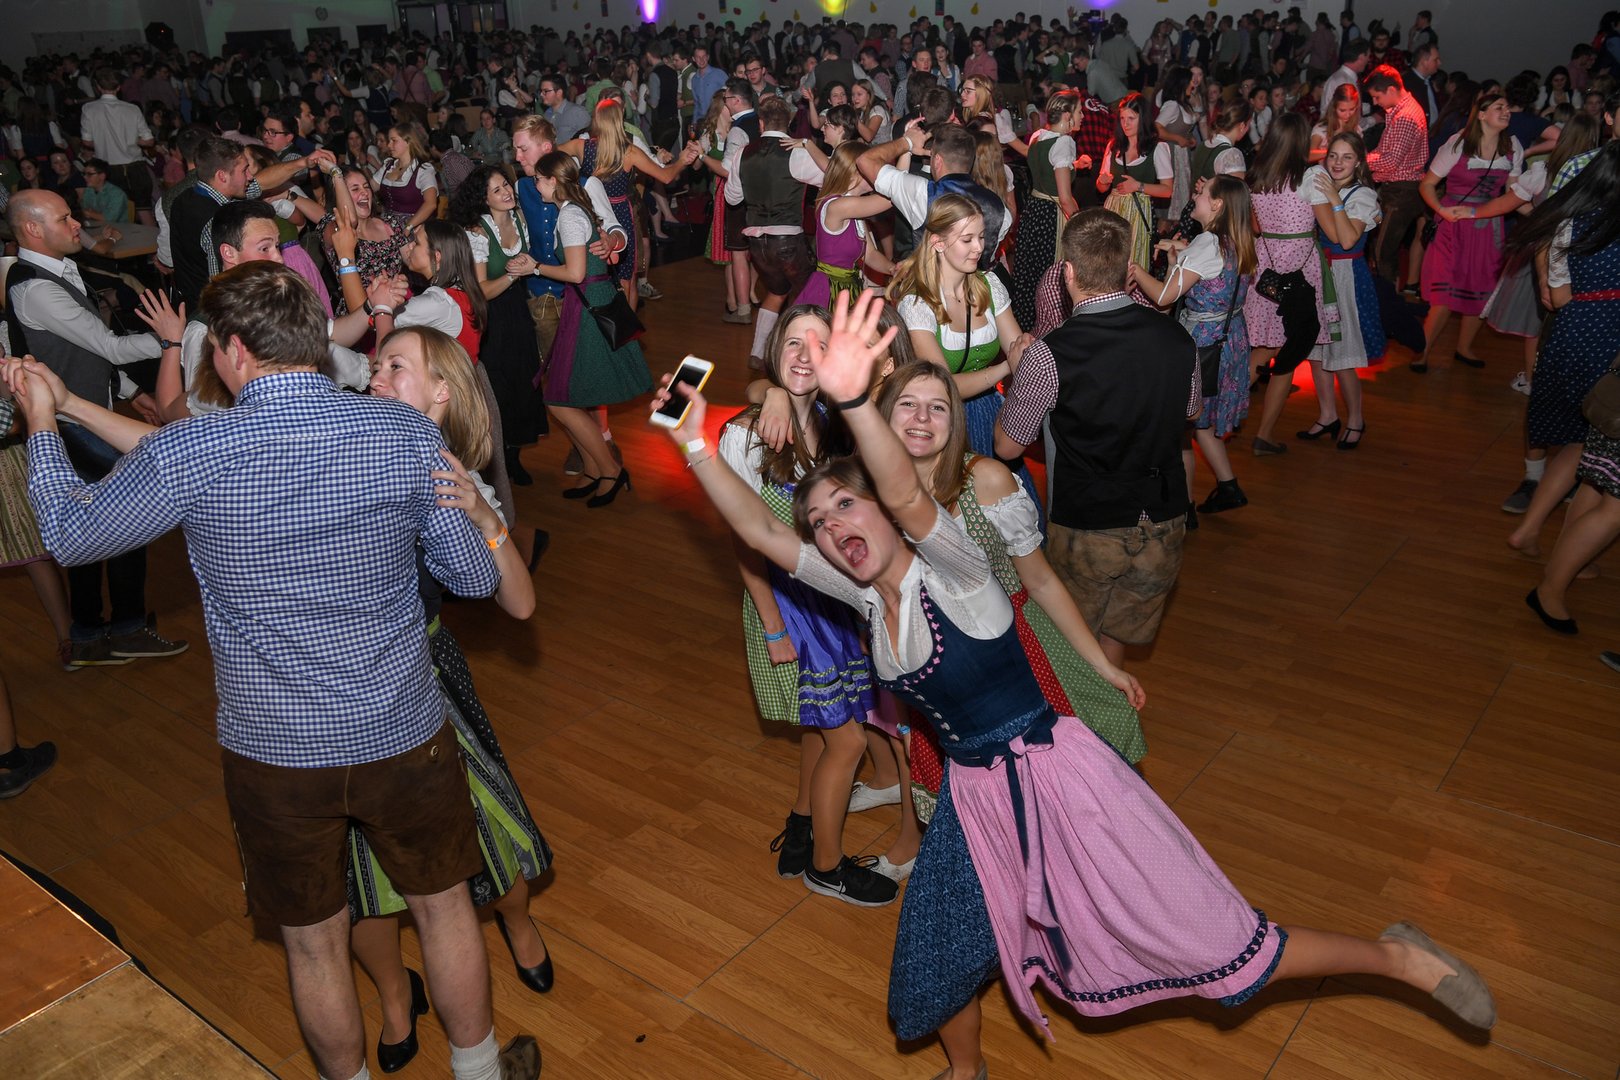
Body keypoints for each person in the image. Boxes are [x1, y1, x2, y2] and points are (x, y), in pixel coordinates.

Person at [659, 289, 1496, 1080]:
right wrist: (693, 442)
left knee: (1208, 935)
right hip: (974, 800)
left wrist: (851, 401)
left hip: (1063, 780)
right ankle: (966, 1068)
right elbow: (761, 530)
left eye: (848, 505)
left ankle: (1398, 957)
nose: (835, 525)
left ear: (881, 506)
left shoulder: (953, 569)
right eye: (822, 521)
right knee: (932, 957)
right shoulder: (864, 598)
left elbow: (912, 495)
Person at [6, 261, 541, 1080]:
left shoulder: (194, 449)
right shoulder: (400, 434)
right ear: (314, 338)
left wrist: (43, 422)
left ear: (231, 352)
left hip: (276, 749)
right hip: (401, 728)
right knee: (443, 912)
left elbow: (73, 538)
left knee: (314, 944)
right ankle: (478, 1072)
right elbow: (472, 579)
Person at [718, 304, 897, 906]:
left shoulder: (829, 420)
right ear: (775, 351)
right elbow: (743, 543)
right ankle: (827, 866)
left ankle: (801, 820)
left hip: (834, 598)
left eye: (817, 344)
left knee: (823, 727)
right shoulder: (744, 435)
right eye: (792, 342)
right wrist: (772, 626)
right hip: (789, 606)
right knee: (848, 740)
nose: (802, 355)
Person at [996, 210, 1196, 670]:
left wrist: (1018, 374)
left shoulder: (1048, 355)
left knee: (1073, 645)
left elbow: (1008, 446)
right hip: (1163, 518)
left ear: (1067, 272)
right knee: (1114, 636)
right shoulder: (1176, 336)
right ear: (1128, 270)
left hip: (1088, 520)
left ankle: (1088, 715)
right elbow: (1190, 412)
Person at [5, 189, 188, 668]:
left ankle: (88, 635)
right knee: (129, 515)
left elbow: (80, 352)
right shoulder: (36, 288)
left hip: (81, 415)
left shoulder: (56, 271)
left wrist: (130, 389)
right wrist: (176, 341)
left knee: (89, 526)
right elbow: (108, 346)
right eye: (65, 219)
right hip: (70, 424)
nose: (76, 226)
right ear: (32, 230)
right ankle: (124, 629)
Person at [889, 195, 1039, 518]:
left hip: (990, 412)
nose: (979, 248)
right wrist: (1004, 368)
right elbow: (944, 387)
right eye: (967, 239)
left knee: (1007, 514)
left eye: (981, 237)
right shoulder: (917, 304)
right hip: (942, 421)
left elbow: (1017, 349)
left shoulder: (989, 285)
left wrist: (1027, 348)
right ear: (938, 243)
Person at [1507, 144, 1620, 564]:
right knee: (1595, 447)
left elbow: (1558, 297)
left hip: (1568, 334)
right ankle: (1572, 557)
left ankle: (1530, 530)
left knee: (1578, 443)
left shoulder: (1568, 222)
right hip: (1607, 340)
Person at [527, 150, 649, 508]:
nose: (535, 185)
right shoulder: (574, 209)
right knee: (571, 395)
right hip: (587, 302)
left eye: (539, 179)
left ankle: (609, 469)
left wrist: (535, 268)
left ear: (553, 181)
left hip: (587, 306)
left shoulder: (568, 215)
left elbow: (575, 273)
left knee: (560, 400)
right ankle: (596, 468)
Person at [1130, 176, 1256, 515]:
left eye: (1201, 193)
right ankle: (1227, 487)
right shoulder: (1237, 239)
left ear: (1217, 204)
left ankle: (1183, 508)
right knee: (1202, 422)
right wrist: (1178, 259)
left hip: (1202, 342)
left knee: (1184, 424)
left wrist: (1135, 269)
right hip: (1230, 338)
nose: (1194, 196)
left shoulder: (1207, 244)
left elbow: (1163, 297)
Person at [1413, 91, 1526, 373]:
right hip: (1453, 224)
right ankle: (1422, 350)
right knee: (1444, 291)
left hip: (1488, 226)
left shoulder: (1512, 146)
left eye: (1507, 107)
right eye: (1499, 107)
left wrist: (1543, 215)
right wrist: (1441, 210)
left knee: (1481, 288)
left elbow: (1513, 194)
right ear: (1482, 114)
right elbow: (1427, 184)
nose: (1506, 111)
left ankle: (1464, 348)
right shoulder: (1459, 143)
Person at [449, 165, 547, 485]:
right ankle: (497, 461)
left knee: (523, 382)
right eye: (497, 189)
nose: (506, 192)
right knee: (499, 388)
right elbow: (480, 290)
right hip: (490, 317)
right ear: (484, 199)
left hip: (517, 309)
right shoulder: (477, 232)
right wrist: (514, 273)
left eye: (506, 184)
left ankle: (513, 457)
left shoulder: (519, 218)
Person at [1245, 112, 1331, 455]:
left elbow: (1255, 227)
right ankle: (1264, 434)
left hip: (1266, 266)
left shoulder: (1258, 176)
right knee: (1289, 351)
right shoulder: (1310, 176)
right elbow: (1328, 226)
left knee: (1265, 347)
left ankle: (1215, 413)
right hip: (1299, 267)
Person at [1300, 132, 1384, 450]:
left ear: (1358, 162)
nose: (1338, 163)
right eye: (1333, 155)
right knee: (1316, 352)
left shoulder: (1363, 196)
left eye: (1346, 157)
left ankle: (1356, 420)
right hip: (1318, 271)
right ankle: (1327, 415)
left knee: (1342, 354)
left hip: (1346, 275)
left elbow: (1347, 240)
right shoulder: (1320, 185)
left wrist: (1334, 199)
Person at [724, 95, 822, 366]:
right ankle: (798, 354)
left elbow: (732, 198)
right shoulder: (796, 152)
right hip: (788, 239)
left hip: (757, 244)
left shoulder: (744, 153)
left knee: (777, 291)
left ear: (761, 123)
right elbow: (830, 178)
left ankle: (758, 352)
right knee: (807, 295)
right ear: (788, 122)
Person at [1012, 90, 1083, 332]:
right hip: (1052, 217)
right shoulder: (1065, 142)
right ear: (1067, 116)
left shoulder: (1038, 136)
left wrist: (1076, 164)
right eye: (1079, 111)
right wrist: (1081, 226)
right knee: (1051, 277)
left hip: (1033, 211)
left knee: (1030, 274)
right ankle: (1051, 329)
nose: (1083, 116)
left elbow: (1047, 168)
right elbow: (1065, 198)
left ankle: (1027, 327)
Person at [792, 140, 893, 310]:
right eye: (872, 167)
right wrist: (906, 148)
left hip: (847, 286)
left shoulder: (852, 208)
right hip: (830, 289)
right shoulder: (838, 206)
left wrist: (893, 269)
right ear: (855, 173)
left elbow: (870, 255)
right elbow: (893, 196)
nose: (876, 173)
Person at [1363, 66, 1430, 288]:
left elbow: (1391, 160)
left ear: (1391, 90)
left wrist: (1360, 161)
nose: (1375, 103)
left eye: (1377, 96)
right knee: (1385, 250)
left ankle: (1389, 301)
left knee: (1383, 252)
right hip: (1402, 188)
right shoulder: (1402, 110)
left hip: (1402, 191)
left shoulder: (1405, 117)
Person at [1095, 93, 1172, 272]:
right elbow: (1101, 188)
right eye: (1122, 118)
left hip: (1139, 212)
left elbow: (1167, 190)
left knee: (1133, 263)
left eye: (1131, 118)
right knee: (1109, 264)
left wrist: (1138, 186)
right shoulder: (1113, 146)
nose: (1126, 124)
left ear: (1143, 119)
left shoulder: (1157, 148)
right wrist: (1102, 182)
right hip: (1113, 211)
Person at [77, 67, 155, 225]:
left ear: (98, 87)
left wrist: (104, 141)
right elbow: (149, 141)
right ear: (119, 87)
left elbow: (86, 142)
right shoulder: (132, 109)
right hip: (136, 167)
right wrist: (130, 140)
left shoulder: (89, 109)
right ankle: (154, 242)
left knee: (117, 217)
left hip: (110, 169)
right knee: (143, 211)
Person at [373, 121, 440, 232]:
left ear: (408, 141)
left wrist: (408, 227)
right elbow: (370, 187)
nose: (389, 145)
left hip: (415, 228)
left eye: (393, 140)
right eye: (389, 141)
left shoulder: (423, 170)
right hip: (387, 227)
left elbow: (431, 204)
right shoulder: (388, 166)